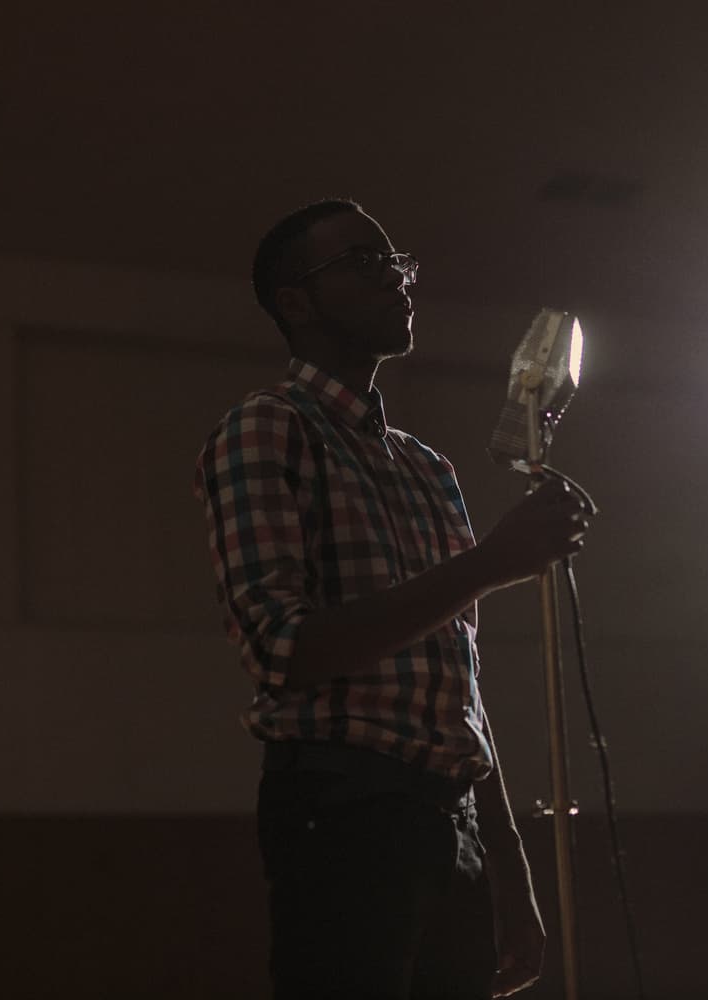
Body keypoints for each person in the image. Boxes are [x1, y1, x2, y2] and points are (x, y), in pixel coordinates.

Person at [193, 199, 592, 999]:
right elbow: (283, 650)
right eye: (364, 263)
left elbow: (458, 690)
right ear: (297, 303)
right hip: (342, 810)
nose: (397, 279)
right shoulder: (266, 429)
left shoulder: (427, 468)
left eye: (397, 262)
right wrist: (490, 563)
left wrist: (509, 873)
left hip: (453, 820)